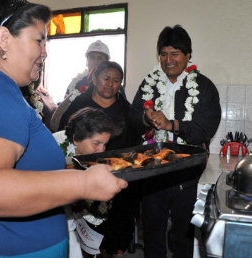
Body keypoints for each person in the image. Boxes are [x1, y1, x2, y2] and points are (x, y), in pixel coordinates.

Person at [0, 1, 127, 257]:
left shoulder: (8, 89)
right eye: (38, 41)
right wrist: (82, 184)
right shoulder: (0, 92)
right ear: (4, 39)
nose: (45, 53)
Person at [132, 25, 221, 258]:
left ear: (188, 55)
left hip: (187, 173)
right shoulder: (149, 84)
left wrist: (173, 125)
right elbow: (131, 118)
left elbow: (206, 127)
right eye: (163, 54)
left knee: (183, 236)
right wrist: (145, 117)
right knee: (152, 233)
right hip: (152, 173)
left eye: (175, 53)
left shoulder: (203, 87)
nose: (168, 60)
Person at [58, 61, 141, 257]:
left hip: (118, 174)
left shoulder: (127, 110)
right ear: (94, 79)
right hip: (83, 175)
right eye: (106, 78)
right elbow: (65, 135)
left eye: (116, 81)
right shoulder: (78, 104)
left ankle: (113, 250)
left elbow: (136, 142)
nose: (110, 84)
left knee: (117, 222)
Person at [53, 107, 121, 258]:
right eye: (96, 143)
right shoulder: (53, 147)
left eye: (105, 144)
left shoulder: (97, 156)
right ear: (76, 138)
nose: (101, 150)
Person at [50, 40, 126, 132]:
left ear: (107, 62)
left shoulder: (114, 86)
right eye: (92, 58)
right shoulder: (76, 83)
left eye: (100, 58)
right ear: (87, 61)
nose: (96, 62)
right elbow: (66, 113)